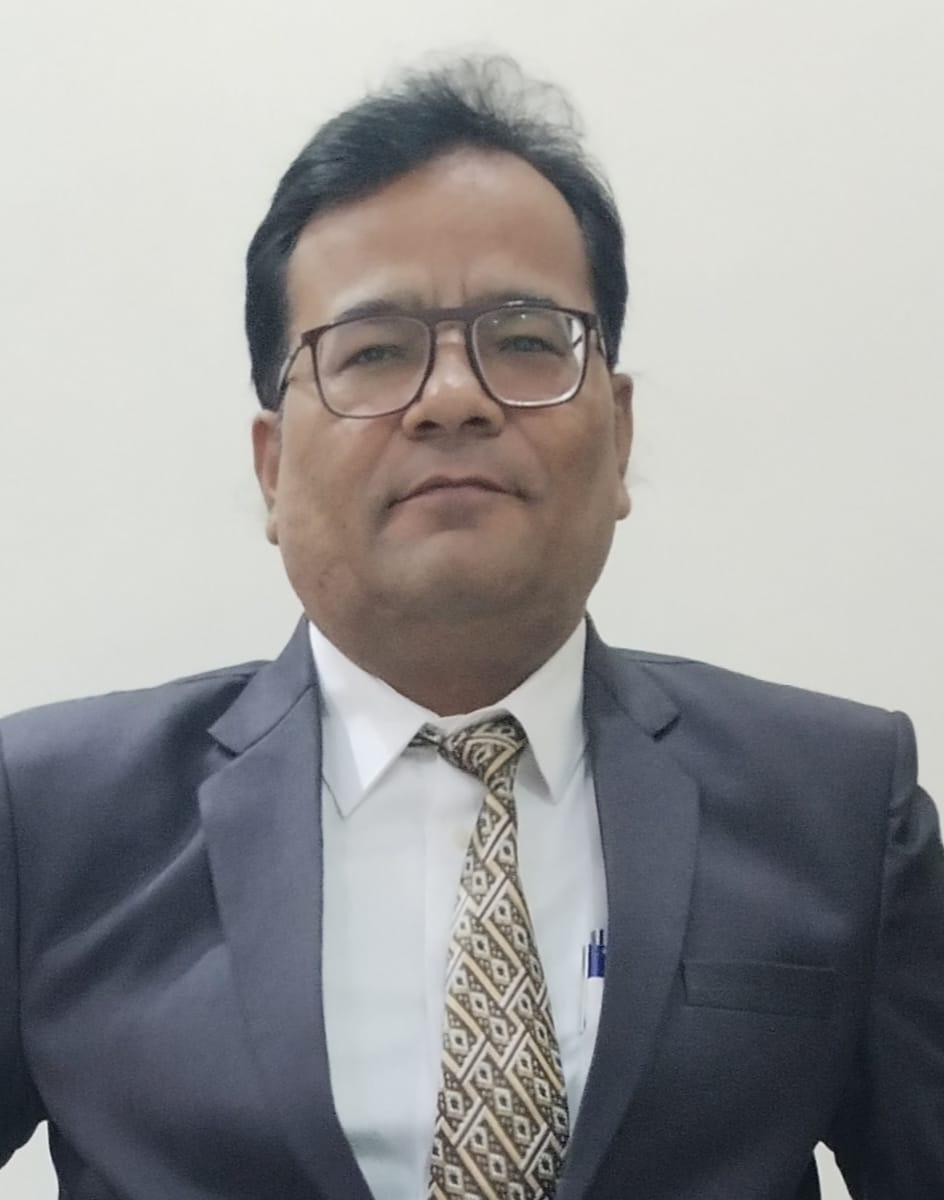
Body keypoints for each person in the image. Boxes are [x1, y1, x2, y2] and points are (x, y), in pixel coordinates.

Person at [1, 56, 942, 1200]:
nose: (454, 397)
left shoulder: (835, 805)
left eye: (527, 340)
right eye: (374, 351)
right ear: (271, 466)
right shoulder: (50, 823)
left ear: (619, 436)